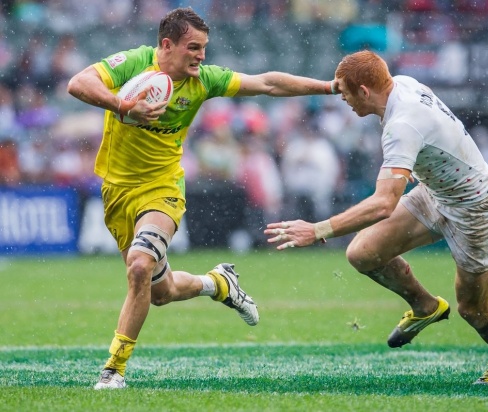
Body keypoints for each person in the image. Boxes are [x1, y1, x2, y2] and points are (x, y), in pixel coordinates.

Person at [67, 7, 338, 390]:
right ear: (166, 45)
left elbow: (268, 84)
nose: (201, 56)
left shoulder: (204, 80)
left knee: (140, 266)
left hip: (163, 190)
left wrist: (327, 87)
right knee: (162, 293)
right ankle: (218, 283)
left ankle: (113, 371)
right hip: (116, 192)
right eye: (193, 47)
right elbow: (78, 83)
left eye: (204, 49)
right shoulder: (134, 63)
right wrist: (124, 105)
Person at [265, 50, 488, 384]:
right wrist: (328, 86)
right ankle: (425, 307)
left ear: (363, 90)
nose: (341, 99)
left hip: (478, 209)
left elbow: (382, 205)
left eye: (345, 93)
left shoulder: (402, 123)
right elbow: (351, 87)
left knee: (473, 309)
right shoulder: (397, 83)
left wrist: (317, 230)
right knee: (363, 253)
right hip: (437, 193)